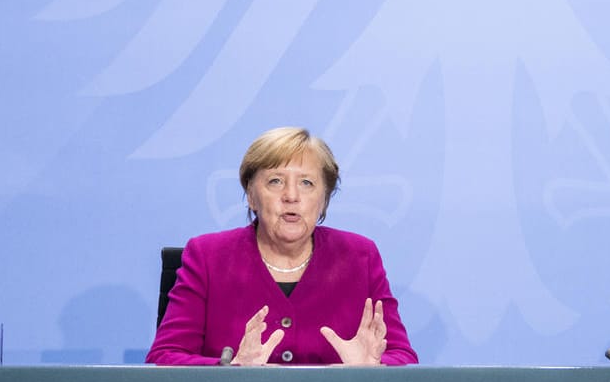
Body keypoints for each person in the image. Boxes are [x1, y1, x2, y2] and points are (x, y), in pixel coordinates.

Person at [147, 127, 417, 366]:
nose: (291, 196)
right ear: (251, 195)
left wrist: (371, 369)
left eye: (307, 183)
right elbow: (165, 355)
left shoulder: (360, 257)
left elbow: (401, 355)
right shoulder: (207, 256)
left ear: (323, 200)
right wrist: (230, 368)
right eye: (275, 181)